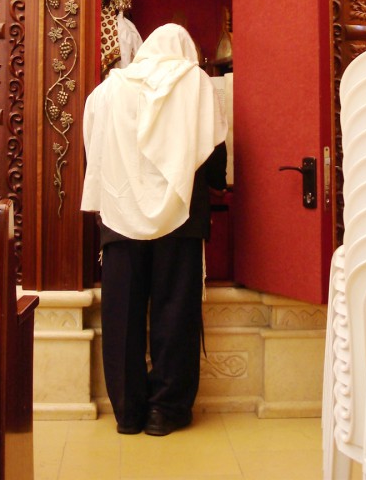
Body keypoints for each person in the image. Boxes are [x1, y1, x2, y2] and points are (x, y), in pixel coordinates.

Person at [80, 23, 228, 436]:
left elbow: (94, 148)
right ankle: (167, 411)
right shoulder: (196, 83)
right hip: (181, 217)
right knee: (174, 312)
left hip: (119, 214)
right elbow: (215, 152)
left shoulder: (109, 90)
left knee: (121, 314)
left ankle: (127, 412)